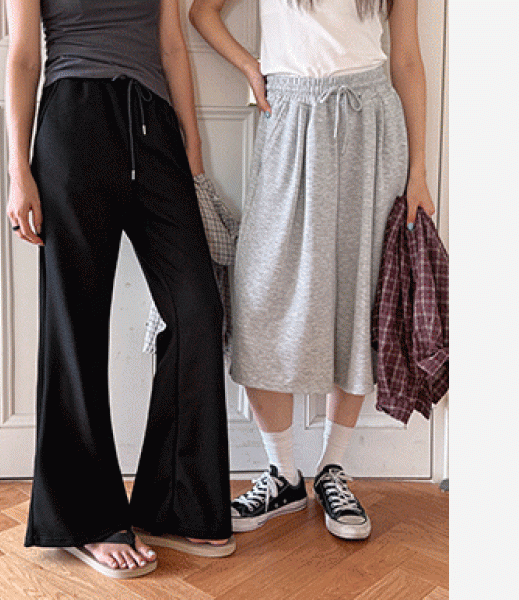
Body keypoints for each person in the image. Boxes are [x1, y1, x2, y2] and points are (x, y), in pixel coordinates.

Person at [5, 0, 235, 578]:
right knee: (75, 323)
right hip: (73, 122)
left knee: (197, 308)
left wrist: (191, 150)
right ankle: (87, 520)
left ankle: (177, 503)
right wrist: (18, 170)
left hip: (153, 126)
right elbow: (25, 56)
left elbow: (172, 45)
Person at [189, 0, 435, 540]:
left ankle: (331, 468)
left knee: (358, 297)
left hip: (372, 126)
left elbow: (407, 60)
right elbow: (202, 12)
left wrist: (418, 170)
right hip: (290, 117)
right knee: (260, 296)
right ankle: (283, 474)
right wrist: (250, 66)